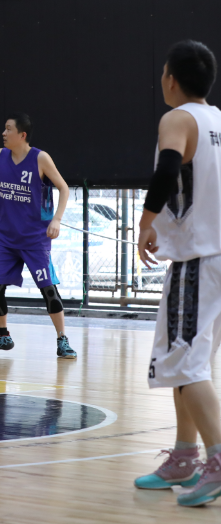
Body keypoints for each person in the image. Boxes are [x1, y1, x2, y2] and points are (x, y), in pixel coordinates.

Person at [136, 40, 221, 506]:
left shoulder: (178, 118)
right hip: (217, 256)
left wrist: (146, 223)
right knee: (191, 364)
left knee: (186, 365)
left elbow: (168, 167)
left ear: (171, 79)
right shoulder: (218, 121)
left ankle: (217, 458)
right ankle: (185, 456)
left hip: (199, 261)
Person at [0, 113, 77, 359]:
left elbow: (64, 188)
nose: (3, 133)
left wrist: (56, 219)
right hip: (5, 237)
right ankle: (3, 336)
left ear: (22, 135)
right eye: (4, 128)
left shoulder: (40, 158)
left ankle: (62, 340)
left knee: (48, 290)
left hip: (34, 239)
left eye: (8, 129)